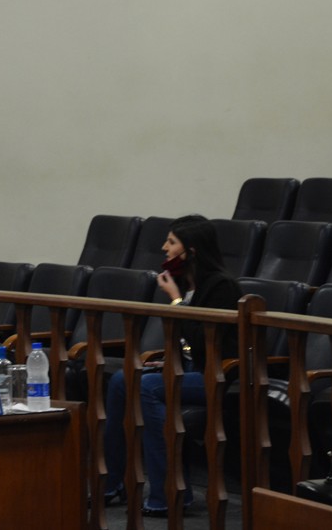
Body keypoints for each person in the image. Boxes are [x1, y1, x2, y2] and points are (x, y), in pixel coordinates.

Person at [103, 214, 243, 517]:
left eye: (171, 242)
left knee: (146, 386)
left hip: (217, 375)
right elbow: (185, 341)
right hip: (188, 369)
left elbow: (206, 340)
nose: (164, 248)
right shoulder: (184, 283)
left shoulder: (221, 286)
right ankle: (112, 482)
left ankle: (171, 493)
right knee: (120, 380)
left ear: (190, 251)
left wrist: (177, 302)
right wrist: (168, 359)